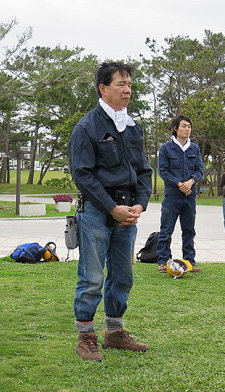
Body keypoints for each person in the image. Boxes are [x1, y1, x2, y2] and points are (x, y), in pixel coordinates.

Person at [68, 61, 153, 361]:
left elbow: (144, 170)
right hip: (96, 212)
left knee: (123, 275)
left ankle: (115, 332)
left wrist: (139, 204)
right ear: (103, 89)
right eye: (121, 84)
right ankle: (86, 336)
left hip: (128, 213)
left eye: (129, 84)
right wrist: (112, 207)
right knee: (91, 277)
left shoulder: (132, 127)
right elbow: (83, 176)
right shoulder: (87, 127)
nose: (127, 89)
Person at [156, 115, 205, 273]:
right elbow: (163, 171)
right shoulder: (166, 148)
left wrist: (191, 182)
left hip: (189, 197)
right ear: (176, 128)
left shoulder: (195, 149)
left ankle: (190, 261)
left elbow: (200, 170)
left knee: (189, 230)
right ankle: (163, 261)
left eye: (189, 127)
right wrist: (179, 184)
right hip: (172, 196)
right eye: (183, 126)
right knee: (166, 230)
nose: (187, 129)